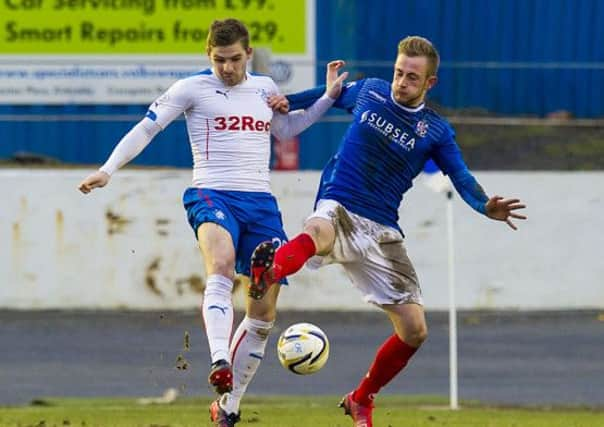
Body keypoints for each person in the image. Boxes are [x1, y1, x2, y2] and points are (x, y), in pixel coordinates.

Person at [78, 18, 348, 427]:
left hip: (260, 203)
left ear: (249, 55)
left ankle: (229, 404)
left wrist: (328, 96)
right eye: (219, 60)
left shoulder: (265, 89)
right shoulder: (191, 89)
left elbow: (290, 128)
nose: (227, 67)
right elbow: (147, 128)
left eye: (235, 59)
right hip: (211, 193)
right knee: (220, 266)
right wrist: (108, 169)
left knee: (262, 314)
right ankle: (219, 356)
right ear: (209, 55)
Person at [250, 36, 527, 427]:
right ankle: (270, 271)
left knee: (414, 330)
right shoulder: (371, 92)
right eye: (399, 72)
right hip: (340, 202)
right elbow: (329, 94)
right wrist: (287, 101)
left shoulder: (435, 131)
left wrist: (484, 205)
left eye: (412, 77)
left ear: (429, 83)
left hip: (381, 230)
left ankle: (361, 399)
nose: (401, 81)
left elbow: (460, 176)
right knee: (319, 230)